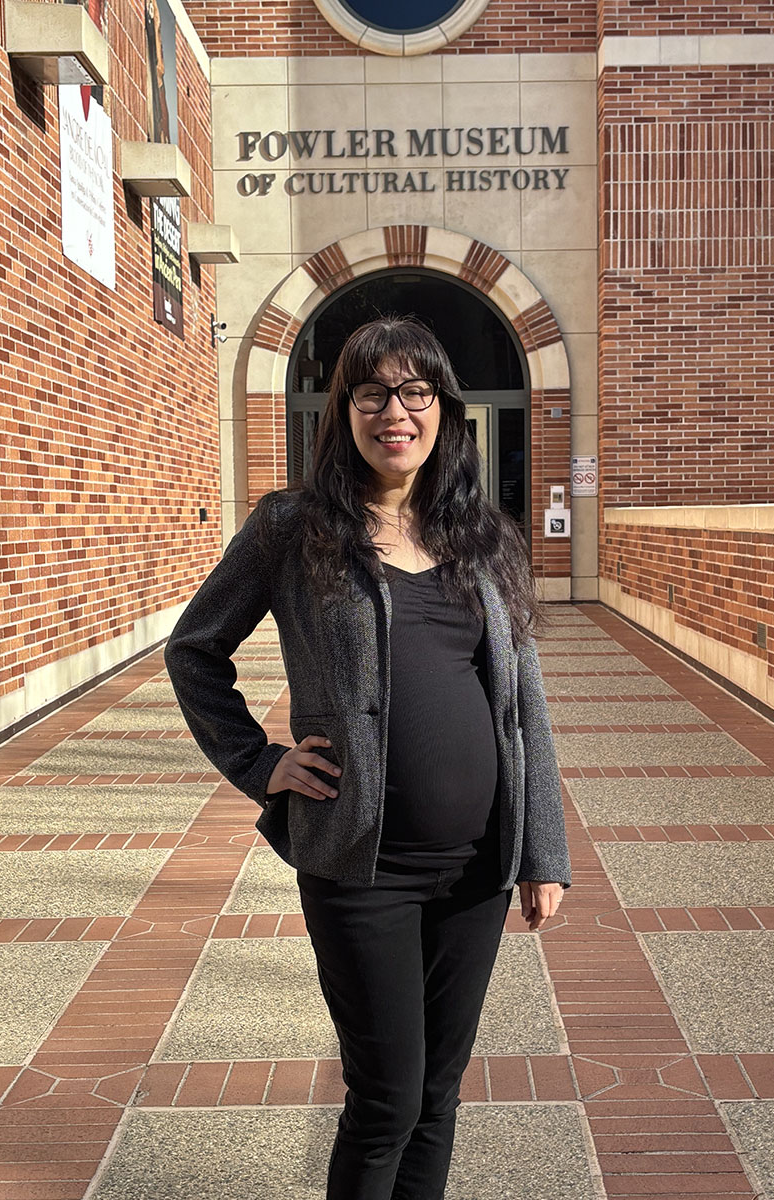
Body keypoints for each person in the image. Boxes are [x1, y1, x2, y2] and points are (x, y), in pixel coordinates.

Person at [165, 316, 571, 1200]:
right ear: (344, 409)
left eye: (417, 391)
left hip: (475, 871)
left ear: (444, 411)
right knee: (385, 1098)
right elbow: (194, 650)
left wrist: (544, 850)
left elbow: (522, 705)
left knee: (436, 1098)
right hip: (362, 866)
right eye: (373, 391)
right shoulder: (293, 527)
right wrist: (256, 760)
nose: (397, 410)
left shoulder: (487, 539)